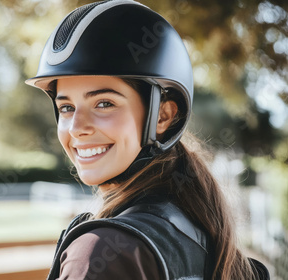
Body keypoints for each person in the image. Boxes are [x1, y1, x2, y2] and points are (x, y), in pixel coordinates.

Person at [25, 1, 270, 279]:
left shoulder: (100, 254)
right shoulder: (200, 233)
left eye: (104, 103)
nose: (77, 128)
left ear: (163, 116)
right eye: (66, 107)